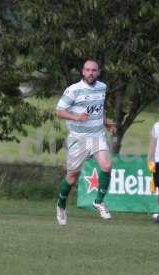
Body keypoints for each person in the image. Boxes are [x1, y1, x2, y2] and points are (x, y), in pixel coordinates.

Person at [55, 59, 116, 225]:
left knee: (106, 166)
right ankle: (61, 205)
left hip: (97, 136)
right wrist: (76, 117)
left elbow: (98, 108)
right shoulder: (73, 90)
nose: (91, 73)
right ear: (83, 72)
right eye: (88, 70)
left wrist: (106, 122)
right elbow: (59, 112)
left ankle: (98, 201)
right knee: (72, 177)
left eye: (94, 70)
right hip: (78, 139)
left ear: (98, 72)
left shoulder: (102, 87)